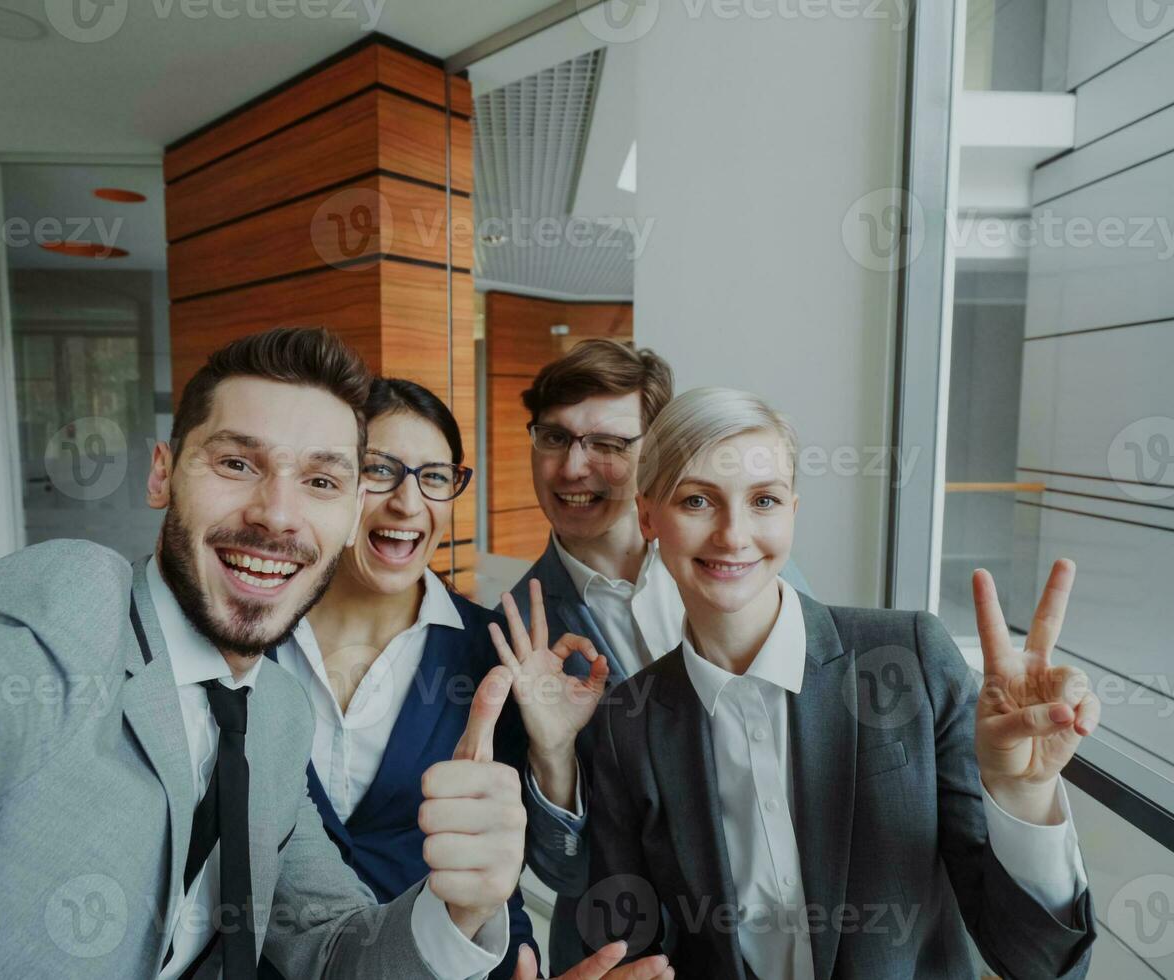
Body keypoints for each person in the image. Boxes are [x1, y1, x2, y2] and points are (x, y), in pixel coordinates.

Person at [0, 328, 646, 980]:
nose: (275, 513)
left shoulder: (269, 719)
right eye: (236, 463)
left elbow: (329, 947)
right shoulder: (71, 608)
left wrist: (458, 912)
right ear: (162, 472)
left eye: (319, 479)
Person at [577, 387, 1099, 979]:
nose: (733, 535)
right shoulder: (628, 721)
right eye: (697, 501)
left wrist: (1023, 794)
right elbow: (632, 946)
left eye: (764, 500)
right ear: (647, 516)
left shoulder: (910, 659)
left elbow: (1043, 965)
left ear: (792, 512)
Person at [267, 378, 625, 980]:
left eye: (434, 477)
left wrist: (553, 748)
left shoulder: (497, 652)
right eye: (380, 469)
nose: (409, 504)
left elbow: (556, 862)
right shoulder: (252, 634)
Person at [498, 339, 807, 971]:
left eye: (609, 445)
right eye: (554, 438)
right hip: (631, 953)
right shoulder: (513, 631)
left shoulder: (746, 565)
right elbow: (561, 866)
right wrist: (554, 753)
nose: (572, 469)